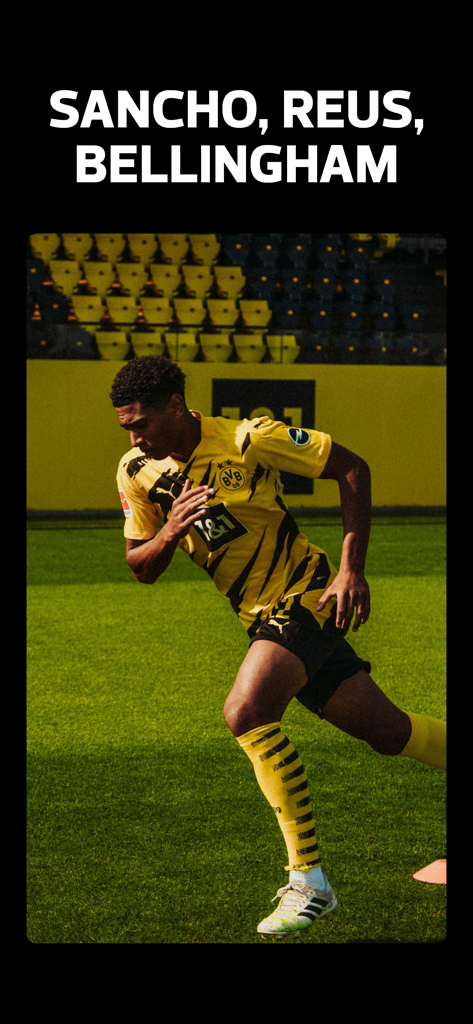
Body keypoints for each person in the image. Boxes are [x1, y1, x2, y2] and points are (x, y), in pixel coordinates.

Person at [110, 355, 446, 940]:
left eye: (141, 424)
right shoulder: (135, 470)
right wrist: (171, 529)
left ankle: (309, 882)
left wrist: (351, 569)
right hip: (258, 616)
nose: (135, 438)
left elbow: (352, 468)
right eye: (126, 428)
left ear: (175, 406)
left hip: (309, 593)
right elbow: (141, 566)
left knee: (246, 711)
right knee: (389, 733)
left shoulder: (248, 439)